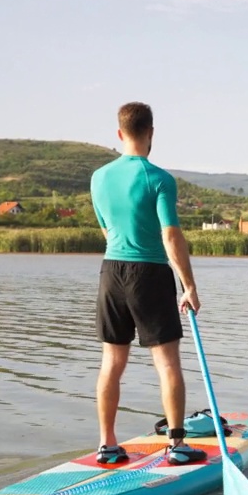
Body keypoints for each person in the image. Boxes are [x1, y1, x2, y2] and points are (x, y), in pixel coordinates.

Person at [90, 102, 204, 466]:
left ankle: (107, 444)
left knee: (112, 361)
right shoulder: (159, 179)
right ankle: (177, 445)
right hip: (150, 273)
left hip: (111, 272)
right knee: (167, 363)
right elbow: (171, 236)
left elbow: (106, 229)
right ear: (151, 133)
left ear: (120, 134)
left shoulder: (98, 178)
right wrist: (189, 285)